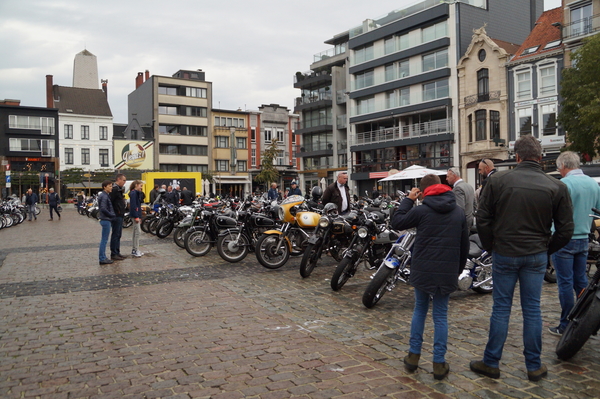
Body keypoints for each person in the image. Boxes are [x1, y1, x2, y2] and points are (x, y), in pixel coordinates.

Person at [471, 135, 574, 382]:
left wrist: (491, 245)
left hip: (505, 251)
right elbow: (566, 229)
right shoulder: (556, 186)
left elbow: (482, 218)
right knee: (532, 310)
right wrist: (546, 249)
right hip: (535, 254)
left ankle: (491, 362)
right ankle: (534, 366)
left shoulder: (499, 181)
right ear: (540, 158)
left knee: (501, 308)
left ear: (516, 157)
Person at [391, 174, 469, 380]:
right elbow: (464, 245)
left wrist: (408, 199)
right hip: (447, 270)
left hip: (423, 268)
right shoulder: (458, 212)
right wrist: (458, 270)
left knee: (420, 310)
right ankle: (439, 363)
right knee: (441, 315)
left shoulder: (421, 210)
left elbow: (397, 221)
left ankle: (413, 356)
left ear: (424, 192)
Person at [549, 151, 600, 335]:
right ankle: (586, 320)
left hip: (564, 239)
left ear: (563, 166)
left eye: (558, 168)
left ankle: (565, 324)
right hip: (584, 238)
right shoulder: (593, 184)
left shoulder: (564, 184)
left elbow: (553, 212)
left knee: (565, 283)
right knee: (581, 281)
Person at [109, 173, 127, 261]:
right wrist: (115, 212)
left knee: (118, 234)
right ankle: (114, 253)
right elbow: (111, 202)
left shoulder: (119, 189)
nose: (124, 182)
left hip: (120, 214)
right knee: (116, 234)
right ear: (119, 179)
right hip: (116, 215)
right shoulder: (115, 189)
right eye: (124, 180)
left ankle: (117, 252)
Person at [98, 180, 116, 265]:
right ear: (104, 187)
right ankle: (102, 258)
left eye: (111, 186)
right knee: (104, 240)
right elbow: (103, 208)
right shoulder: (104, 196)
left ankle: (103, 257)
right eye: (109, 186)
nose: (111, 187)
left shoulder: (104, 195)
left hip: (105, 219)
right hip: (106, 219)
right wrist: (111, 215)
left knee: (104, 239)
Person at [128, 180, 144, 258]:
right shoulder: (134, 194)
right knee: (137, 233)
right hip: (135, 215)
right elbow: (134, 206)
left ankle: (135, 249)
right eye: (140, 186)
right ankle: (135, 250)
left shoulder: (135, 193)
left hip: (135, 215)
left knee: (136, 232)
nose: (141, 187)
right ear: (136, 185)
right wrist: (136, 216)